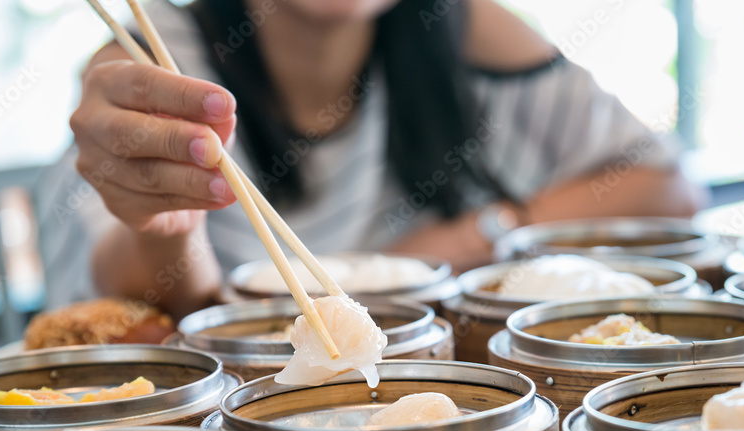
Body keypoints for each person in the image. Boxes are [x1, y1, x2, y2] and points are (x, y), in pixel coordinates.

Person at [42, 0, 702, 317]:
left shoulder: (459, 26)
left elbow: (664, 184)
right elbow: (144, 306)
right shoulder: (153, 56)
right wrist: (168, 225)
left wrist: (473, 234)